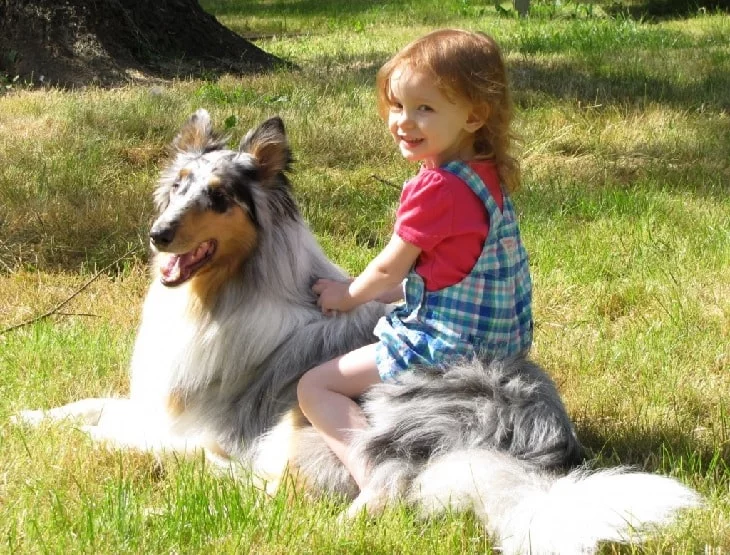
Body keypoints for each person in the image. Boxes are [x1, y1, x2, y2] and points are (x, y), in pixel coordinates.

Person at [297, 28, 533, 495]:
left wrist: (347, 295)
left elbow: (389, 268)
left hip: (446, 351)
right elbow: (448, 269)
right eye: (397, 105)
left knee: (315, 388)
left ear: (474, 115)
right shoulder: (486, 175)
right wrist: (388, 291)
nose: (403, 121)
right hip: (500, 344)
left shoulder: (436, 189)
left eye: (425, 108)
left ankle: (374, 480)